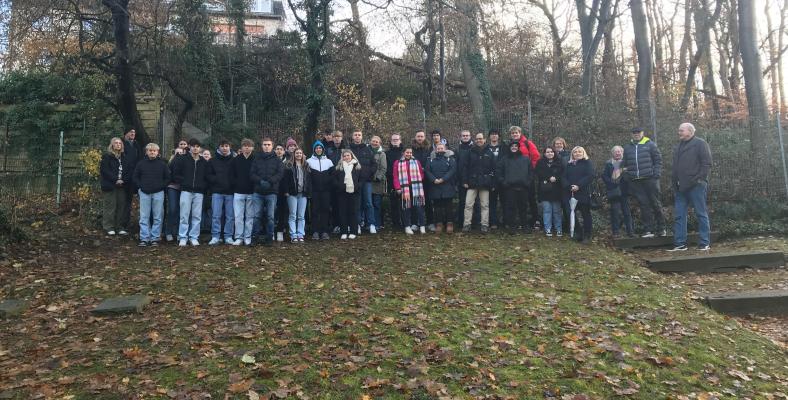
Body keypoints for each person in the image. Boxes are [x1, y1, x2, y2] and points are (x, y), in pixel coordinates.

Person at [669, 122, 713, 252]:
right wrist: (674, 182)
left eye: (681, 130)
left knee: (701, 213)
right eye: (679, 130)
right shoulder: (678, 147)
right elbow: (676, 167)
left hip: (696, 186)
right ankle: (680, 244)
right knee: (679, 215)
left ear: (690, 131)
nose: (679, 132)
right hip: (680, 187)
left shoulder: (700, 143)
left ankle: (705, 243)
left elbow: (707, 163)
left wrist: (699, 179)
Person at [623, 127, 666, 238]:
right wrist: (628, 176)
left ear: (642, 133)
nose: (636, 134)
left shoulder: (650, 144)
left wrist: (656, 175)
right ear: (631, 134)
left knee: (655, 203)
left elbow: (658, 160)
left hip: (650, 179)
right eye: (634, 133)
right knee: (643, 205)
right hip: (636, 181)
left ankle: (662, 229)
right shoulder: (627, 147)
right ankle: (648, 230)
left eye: (638, 132)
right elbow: (625, 164)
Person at [172, 138, 209, 246]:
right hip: (186, 191)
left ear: (200, 148)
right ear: (189, 147)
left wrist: (202, 186)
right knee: (184, 215)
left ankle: (194, 237)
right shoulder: (182, 159)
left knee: (196, 216)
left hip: (199, 192)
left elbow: (207, 177)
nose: (195, 148)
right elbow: (176, 173)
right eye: (193, 146)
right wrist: (184, 182)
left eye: (197, 146)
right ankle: (183, 237)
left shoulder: (204, 162)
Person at [133, 142, 170, 246]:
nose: (152, 152)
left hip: (158, 193)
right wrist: (141, 186)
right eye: (150, 150)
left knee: (158, 216)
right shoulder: (141, 164)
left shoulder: (162, 164)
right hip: (144, 193)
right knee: (144, 216)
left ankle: (155, 238)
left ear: (157, 152)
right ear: (147, 152)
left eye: (154, 150)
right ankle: (144, 238)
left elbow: (168, 178)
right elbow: (135, 177)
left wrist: (161, 186)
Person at [250, 137, 284, 245]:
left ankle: (269, 238)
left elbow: (280, 174)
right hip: (258, 192)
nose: (266, 146)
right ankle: (254, 237)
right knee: (256, 216)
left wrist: (270, 182)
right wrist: (260, 181)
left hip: (272, 192)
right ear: (262, 146)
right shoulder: (256, 159)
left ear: (272, 146)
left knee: (270, 216)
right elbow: (252, 174)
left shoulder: (277, 160)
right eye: (265, 144)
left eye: (268, 144)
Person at [507, 126, 540, 229]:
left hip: (527, 178)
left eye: (516, 133)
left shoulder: (528, 143)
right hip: (514, 179)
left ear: (520, 133)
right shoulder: (509, 145)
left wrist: (530, 171)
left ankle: (536, 220)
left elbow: (536, 157)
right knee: (515, 202)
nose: (515, 135)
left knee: (531, 199)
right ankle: (517, 222)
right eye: (513, 133)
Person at [461, 133, 495, 233]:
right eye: (477, 139)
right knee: (468, 204)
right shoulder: (470, 152)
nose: (479, 140)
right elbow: (465, 167)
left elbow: (494, 169)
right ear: (475, 140)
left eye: (481, 138)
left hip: (485, 183)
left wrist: (492, 183)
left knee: (485, 205)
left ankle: (484, 225)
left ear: (484, 139)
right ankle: (467, 224)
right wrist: (464, 181)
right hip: (472, 183)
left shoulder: (489, 153)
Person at [497, 141, 532, 234]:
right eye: (512, 146)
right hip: (510, 188)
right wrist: (504, 182)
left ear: (518, 147)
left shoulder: (525, 159)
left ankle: (524, 226)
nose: (514, 147)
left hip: (523, 187)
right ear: (509, 148)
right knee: (510, 208)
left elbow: (530, 172)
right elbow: (499, 172)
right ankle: (512, 227)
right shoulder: (504, 159)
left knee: (523, 208)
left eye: (516, 146)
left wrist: (527, 182)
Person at [563, 146, 595, 244]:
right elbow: (563, 177)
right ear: (572, 154)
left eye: (579, 152)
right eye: (575, 152)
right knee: (569, 213)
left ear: (583, 153)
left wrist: (578, 186)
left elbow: (590, 175)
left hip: (583, 192)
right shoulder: (569, 165)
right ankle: (578, 233)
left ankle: (587, 235)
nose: (577, 153)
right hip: (570, 193)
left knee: (586, 214)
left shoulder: (587, 163)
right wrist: (569, 186)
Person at [99, 137, 130, 236]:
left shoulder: (124, 157)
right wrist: (115, 179)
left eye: (120, 143)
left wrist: (123, 180)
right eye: (116, 143)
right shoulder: (107, 156)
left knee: (121, 206)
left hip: (122, 185)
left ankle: (119, 227)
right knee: (110, 206)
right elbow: (105, 170)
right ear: (112, 145)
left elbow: (128, 170)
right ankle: (109, 227)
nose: (118, 144)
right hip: (110, 185)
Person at [206, 139, 235, 245]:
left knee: (230, 216)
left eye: (226, 146)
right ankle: (215, 236)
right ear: (219, 147)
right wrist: (217, 180)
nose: (224, 148)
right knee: (216, 215)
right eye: (222, 146)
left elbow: (236, 175)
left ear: (230, 147)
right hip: (217, 192)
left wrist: (232, 183)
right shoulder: (212, 161)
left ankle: (228, 236)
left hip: (230, 192)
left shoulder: (234, 160)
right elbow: (208, 175)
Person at [602, 145, 634, 238]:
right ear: (612, 153)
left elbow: (631, 176)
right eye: (616, 151)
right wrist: (612, 184)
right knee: (615, 212)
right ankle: (616, 232)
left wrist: (624, 172)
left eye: (619, 151)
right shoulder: (608, 164)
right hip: (613, 192)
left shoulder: (627, 163)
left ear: (622, 153)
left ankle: (630, 232)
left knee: (627, 213)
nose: (618, 153)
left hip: (624, 191)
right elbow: (604, 176)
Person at [393, 147, 427, 234]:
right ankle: (407, 226)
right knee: (406, 208)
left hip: (416, 188)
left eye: (410, 153)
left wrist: (418, 181)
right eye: (407, 152)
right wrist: (397, 188)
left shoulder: (416, 162)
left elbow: (421, 173)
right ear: (403, 153)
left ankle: (422, 226)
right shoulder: (397, 163)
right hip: (404, 188)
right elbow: (395, 176)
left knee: (419, 207)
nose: (409, 154)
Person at [425, 142, 456, 234]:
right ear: (435, 150)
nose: (440, 150)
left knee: (448, 206)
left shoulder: (450, 159)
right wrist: (434, 179)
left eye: (442, 148)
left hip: (447, 185)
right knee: (437, 206)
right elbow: (427, 170)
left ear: (445, 149)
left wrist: (443, 179)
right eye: (438, 148)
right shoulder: (430, 159)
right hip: (435, 186)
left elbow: (452, 170)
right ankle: (439, 224)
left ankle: (449, 224)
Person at [307, 140, 334, 240]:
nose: (318, 149)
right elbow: (308, 178)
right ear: (314, 150)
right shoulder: (309, 161)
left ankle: (325, 231)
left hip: (326, 191)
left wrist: (328, 183)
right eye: (317, 148)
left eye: (320, 148)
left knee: (325, 210)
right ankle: (315, 231)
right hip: (314, 191)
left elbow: (333, 175)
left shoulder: (328, 161)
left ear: (323, 149)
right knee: (314, 210)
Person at [349, 131, 376, 234]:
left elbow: (374, 164)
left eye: (359, 135)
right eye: (355, 134)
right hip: (354, 181)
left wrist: (369, 173)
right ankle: (358, 224)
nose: (357, 136)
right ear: (352, 136)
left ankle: (371, 224)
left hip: (367, 181)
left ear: (362, 136)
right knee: (357, 203)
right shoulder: (349, 149)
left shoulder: (367, 149)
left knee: (368, 202)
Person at [231, 139, 256, 246]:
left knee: (250, 216)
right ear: (241, 148)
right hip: (238, 192)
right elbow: (231, 175)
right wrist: (236, 184)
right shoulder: (236, 160)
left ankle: (248, 237)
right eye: (244, 146)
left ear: (252, 148)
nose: (247, 148)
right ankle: (239, 237)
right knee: (238, 216)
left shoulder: (255, 159)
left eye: (249, 146)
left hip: (252, 192)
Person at [284, 148, 312, 242]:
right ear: (294, 154)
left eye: (300, 153)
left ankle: (300, 234)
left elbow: (309, 181)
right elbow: (285, 180)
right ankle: (293, 235)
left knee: (301, 216)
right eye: (297, 153)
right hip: (292, 193)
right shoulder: (289, 165)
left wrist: (308, 192)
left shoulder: (306, 166)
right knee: (292, 215)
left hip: (303, 194)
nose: (299, 154)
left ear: (302, 154)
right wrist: (286, 191)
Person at [535, 146, 563, 237]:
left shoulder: (559, 162)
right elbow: (538, 173)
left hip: (557, 190)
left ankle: (558, 229)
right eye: (547, 152)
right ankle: (548, 229)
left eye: (551, 151)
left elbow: (563, 173)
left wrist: (556, 178)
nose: (550, 153)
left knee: (556, 211)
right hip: (544, 189)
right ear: (544, 153)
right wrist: (548, 177)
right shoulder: (540, 162)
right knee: (547, 210)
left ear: (554, 153)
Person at [333, 149, 361, 240]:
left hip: (354, 193)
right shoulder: (339, 167)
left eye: (348, 155)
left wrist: (357, 186)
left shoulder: (357, 167)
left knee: (353, 212)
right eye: (344, 156)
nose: (346, 157)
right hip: (342, 193)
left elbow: (362, 179)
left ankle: (353, 231)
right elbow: (334, 179)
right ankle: (344, 231)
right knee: (342, 212)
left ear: (351, 156)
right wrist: (340, 186)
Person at [165, 140, 188, 241]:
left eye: (184, 145)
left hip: (184, 187)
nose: (182, 148)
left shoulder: (188, 159)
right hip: (173, 186)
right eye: (181, 145)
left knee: (181, 210)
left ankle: (178, 232)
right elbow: (170, 173)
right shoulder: (172, 160)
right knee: (172, 209)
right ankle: (168, 231)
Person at [121, 129, 141, 233]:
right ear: (125, 133)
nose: (133, 134)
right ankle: (123, 225)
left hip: (136, 177)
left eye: (134, 132)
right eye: (130, 132)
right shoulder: (122, 144)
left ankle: (140, 226)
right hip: (125, 178)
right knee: (125, 202)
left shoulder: (136, 144)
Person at [411, 131, 433, 230]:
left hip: (427, 178)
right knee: (415, 200)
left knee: (428, 200)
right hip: (414, 178)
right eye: (418, 136)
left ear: (424, 137)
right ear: (415, 137)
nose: (420, 138)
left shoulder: (429, 148)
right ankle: (415, 223)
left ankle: (430, 222)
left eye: (422, 136)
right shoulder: (411, 149)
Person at [326, 131, 347, 232]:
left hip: (343, 180)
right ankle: (335, 225)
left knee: (343, 204)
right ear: (332, 138)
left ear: (342, 138)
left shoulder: (346, 149)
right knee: (334, 204)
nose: (337, 138)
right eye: (335, 137)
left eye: (339, 136)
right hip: (331, 180)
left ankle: (343, 224)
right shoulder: (328, 150)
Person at [454, 130, 474, 225]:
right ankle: (461, 221)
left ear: (470, 136)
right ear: (460, 137)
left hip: (473, 180)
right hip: (461, 180)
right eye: (463, 135)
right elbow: (455, 166)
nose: (465, 137)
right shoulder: (457, 149)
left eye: (467, 135)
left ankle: (474, 221)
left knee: (474, 202)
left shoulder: (474, 148)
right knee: (462, 201)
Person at [385, 134, 405, 230]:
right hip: (391, 180)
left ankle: (406, 222)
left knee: (405, 202)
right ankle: (396, 223)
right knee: (394, 203)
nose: (395, 141)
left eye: (397, 139)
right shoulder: (387, 153)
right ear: (391, 141)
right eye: (393, 140)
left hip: (404, 180)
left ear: (400, 140)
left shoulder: (404, 152)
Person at [370, 135, 388, 232]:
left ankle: (377, 223)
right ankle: (369, 223)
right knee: (369, 204)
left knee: (377, 204)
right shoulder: (367, 151)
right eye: (373, 141)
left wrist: (378, 177)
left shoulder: (382, 154)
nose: (375, 143)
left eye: (377, 141)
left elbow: (383, 168)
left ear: (379, 143)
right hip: (368, 182)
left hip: (377, 183)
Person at [487, 129, 503, 229]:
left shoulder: (503, 148)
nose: (494, 136)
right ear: (489, 137)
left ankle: (505, 220)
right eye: (492, 134)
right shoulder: (486, 148)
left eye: (496, 134)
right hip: (491, 179)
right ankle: (493, 222)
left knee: (504, 201)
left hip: (502, 178)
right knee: (491, 201)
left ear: (498, 136)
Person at [274, 144, 289, 241]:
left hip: (283, 191)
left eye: (281, 149)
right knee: (271, 212)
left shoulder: (288, 163)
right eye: (277, 149)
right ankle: (271, 231)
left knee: (283, 212)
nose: (279, 151)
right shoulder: (271, 161)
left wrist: (287, 190)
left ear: (284, 151)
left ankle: (280, 231)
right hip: (272, 190)